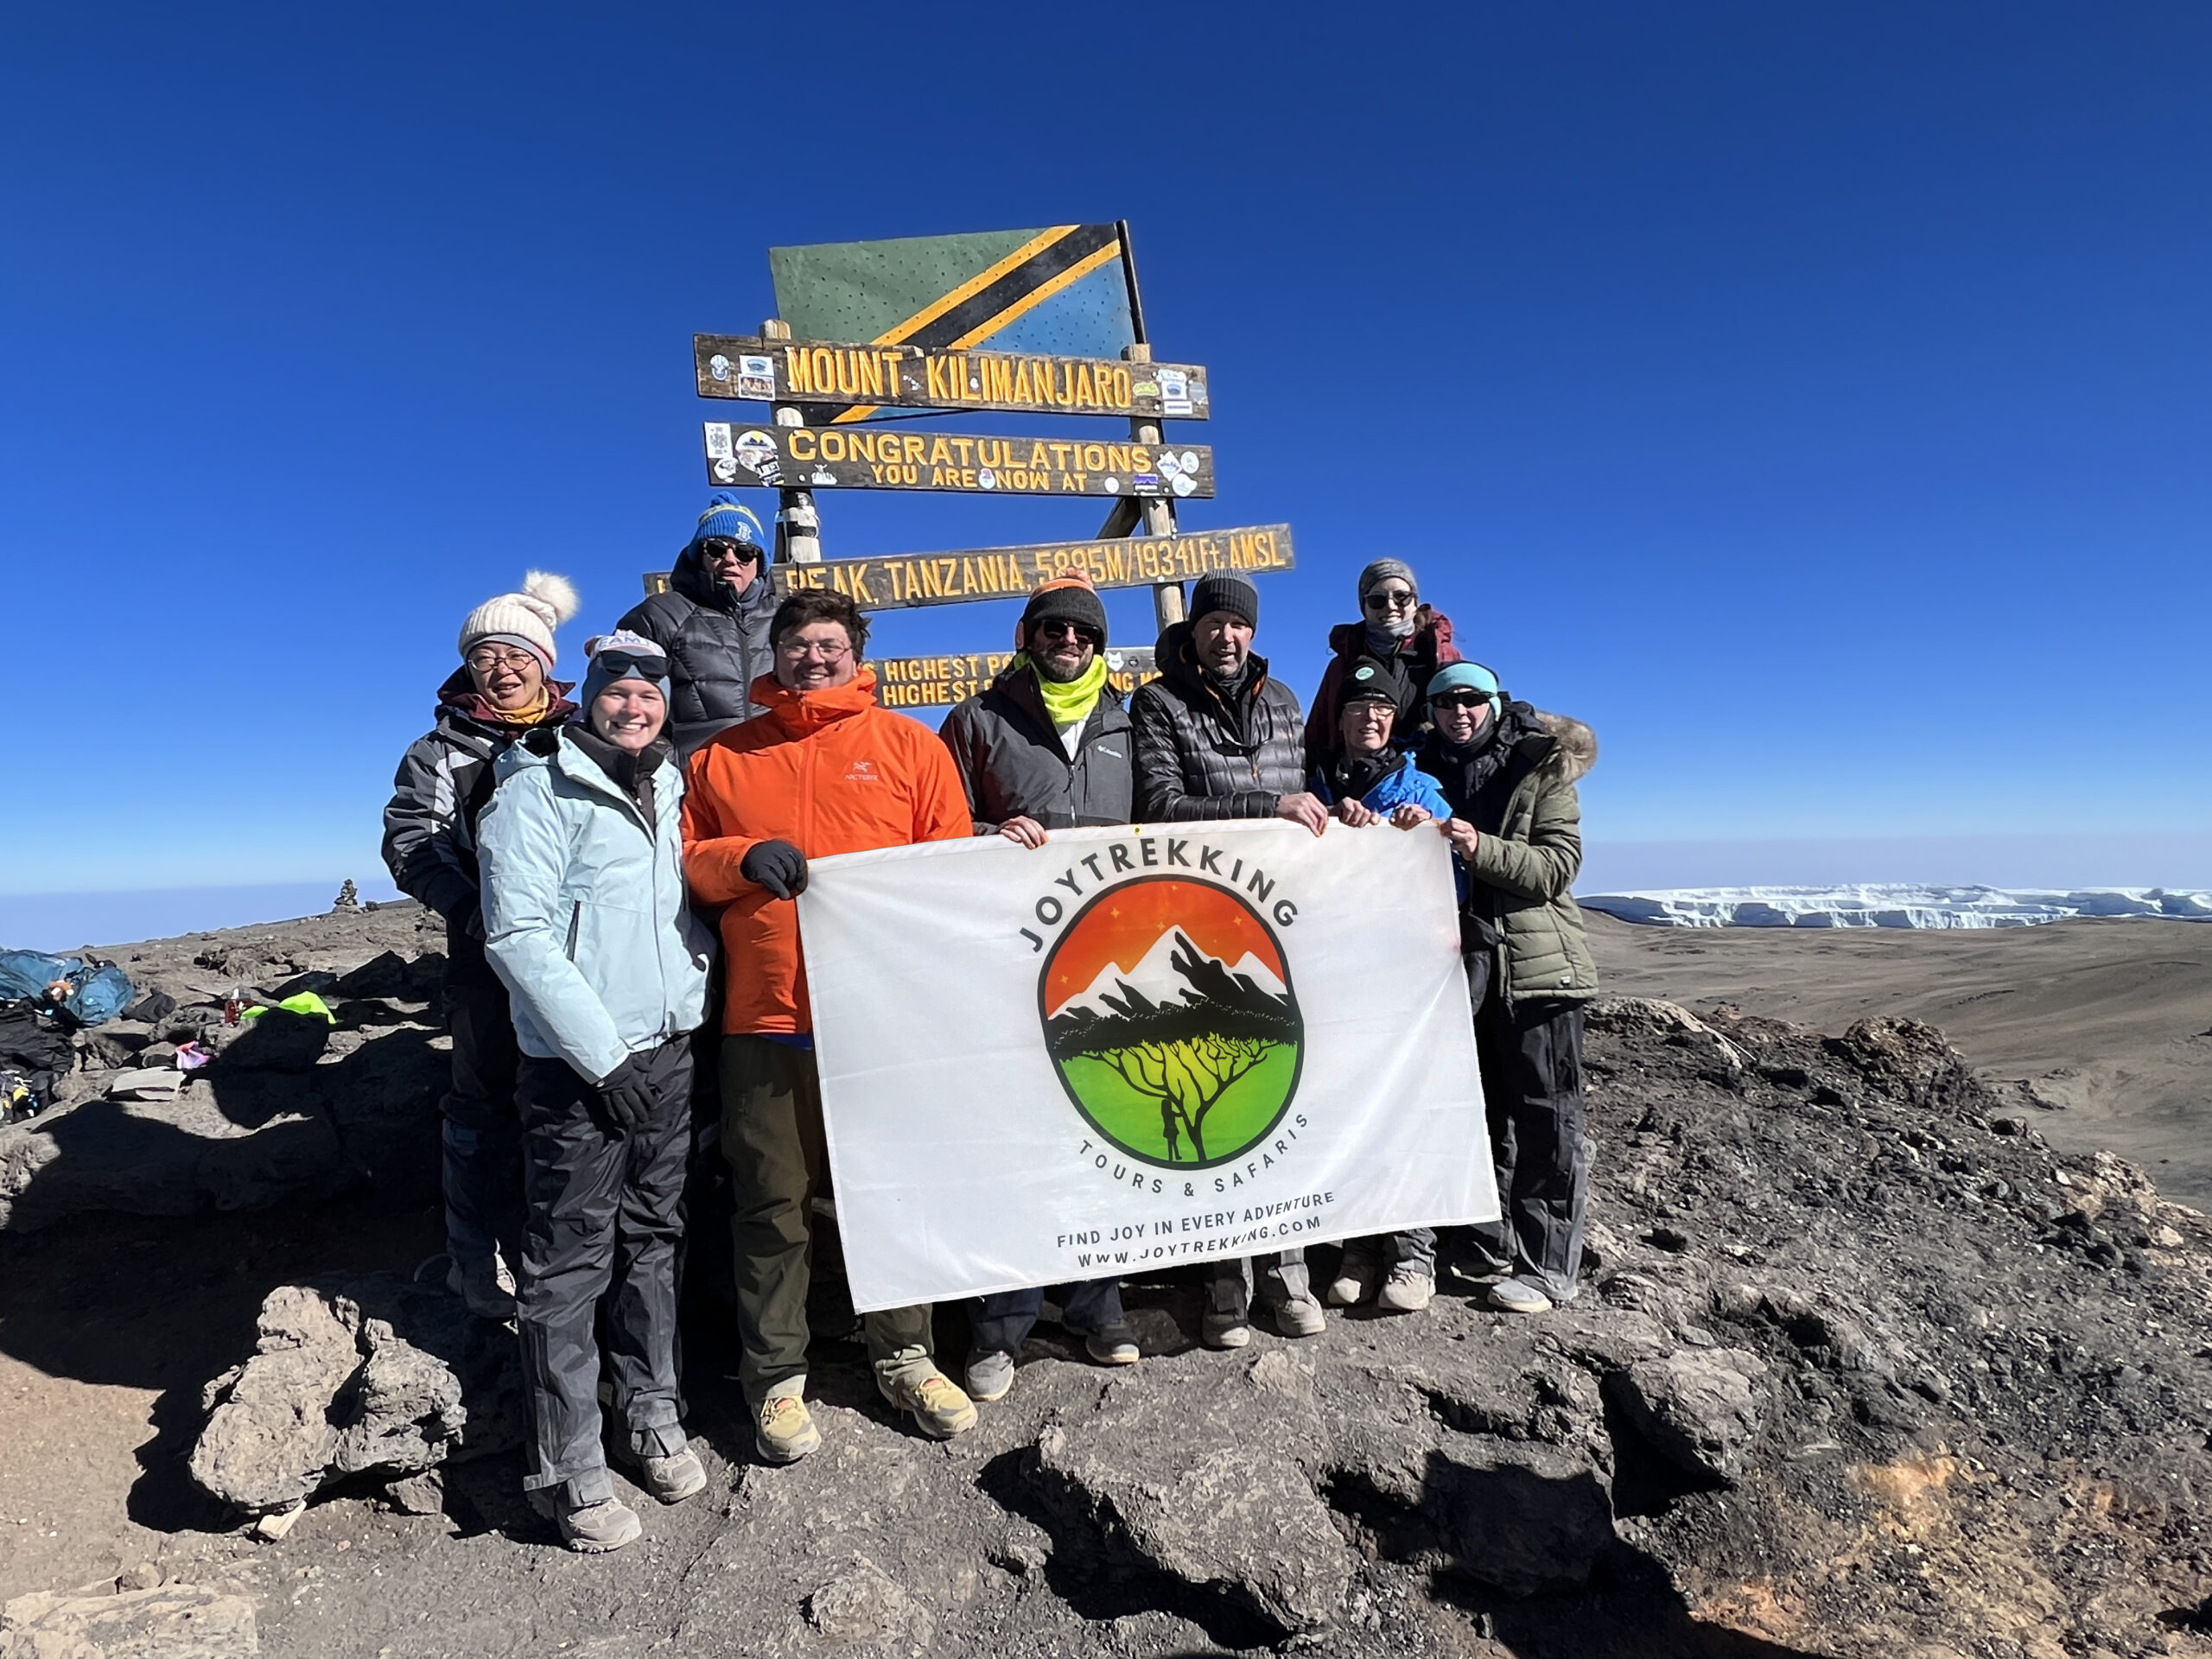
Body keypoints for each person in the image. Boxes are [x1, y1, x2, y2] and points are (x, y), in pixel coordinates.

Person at [683, 589, 979, 1461]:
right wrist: (740, 858)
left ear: (856, 655)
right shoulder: (723, 758)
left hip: (882, 1017)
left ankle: (906, 1355)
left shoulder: (911, 747)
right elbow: (686, 861)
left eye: (829, 645)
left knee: (893, 1192)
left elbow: (950, 867)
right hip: (765, 1015)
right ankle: (775, 1376)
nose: (812, 658)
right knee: (771, 1203)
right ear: (772, 654)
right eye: (797, 644)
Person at [475, 631, 715, 1553]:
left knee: (654, 1238)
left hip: (667, 1050)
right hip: (578, 1070)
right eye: (619, 690)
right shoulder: (533, 790)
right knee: (569, 1263)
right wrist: (600, 1059)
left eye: (650, 693)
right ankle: (568, 1464)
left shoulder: (671, 784)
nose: (635, 706)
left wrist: (691, 997)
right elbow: (518, 936)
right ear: (590, 697)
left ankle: (652, 1411)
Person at [938, 575, 1141, 1401]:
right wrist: (991, 832)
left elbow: (1168, 822)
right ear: (1027, 636)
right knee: (1017, 1135)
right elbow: (938, 826)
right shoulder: (977, 719)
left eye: (1084, 632)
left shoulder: (1130, 720)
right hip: (1010, 959)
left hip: (1110, 955)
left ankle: (1100, 1304)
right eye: (1054, 629)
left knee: (1104, 1125)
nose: (1070, 642)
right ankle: (1002, 1323)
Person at [1129, 570, 1330, 1348]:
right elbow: (1160, 805)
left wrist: (1334, 811)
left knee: (1281, 1094)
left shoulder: (1284, 702)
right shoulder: (1159, 703)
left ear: (1253, 631)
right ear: (1194, 631)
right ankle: (1223, 1284)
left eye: (1238, 624)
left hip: (1280, 923)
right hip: (1200, 921)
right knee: (1214, 1108)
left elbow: (1307, 791)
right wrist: (1267, 807)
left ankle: (1287, 1275)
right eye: (1213, 623)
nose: (1227, 635)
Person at [381, 571, 581, 1320]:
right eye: (485, 656)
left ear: (544, 661)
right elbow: (412, 842)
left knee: (564, 1101)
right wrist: (476, 913)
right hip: (484, 960)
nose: (502, 668)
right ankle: (473, 1259)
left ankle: (554, 1253)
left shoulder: (583, 737)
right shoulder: (439, 750)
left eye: (517, 654)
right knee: (480, 1104)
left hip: (579, 958)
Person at [1421, 661, 1599, 1316]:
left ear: (1495, 705)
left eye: (1472, 700)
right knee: (1481, 1111)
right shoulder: (1423, 769)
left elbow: (1557, 866)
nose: (1459, 712)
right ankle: (1489, 1242)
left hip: (1536, 970)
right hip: (1462, 969)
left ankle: (1547, 1266)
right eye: (1445, 703)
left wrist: (1479, 849)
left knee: (1547, 1118)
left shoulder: (1541, 767)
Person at [1306, 656, 1457, 1316]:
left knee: (1407, 1108)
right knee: (1351, 1111)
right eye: (1357, 708)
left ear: (1395, 720)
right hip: (1336, 977)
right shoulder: (1312, 786)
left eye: (1382, 709)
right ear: (1338, 719)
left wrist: (1428, 836)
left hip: (1405, 976)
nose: (1370, 718)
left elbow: (1457, 876)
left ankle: (1412, 1254)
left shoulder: (1420, 788)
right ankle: (1360, 1250)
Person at [617, 493, 779, 756]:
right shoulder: (659, 615)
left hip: (777, 768)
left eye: (745, 552)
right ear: (698, 556)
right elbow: (623, 703)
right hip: (692, 774)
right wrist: (667, 768)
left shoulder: (786, 621)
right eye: (716, 549)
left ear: (760, 562)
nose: (730, 559)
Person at [1304, 558, 1461, 768]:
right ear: (1364, 607)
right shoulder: (1343, 663)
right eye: (1377, 600)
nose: (1390, 606)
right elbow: (1318, 731)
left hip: (1428, 775)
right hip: (1355, 778)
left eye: (1401, 597)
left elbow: (1465, 714)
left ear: (1415, 603)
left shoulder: (1440, 654)